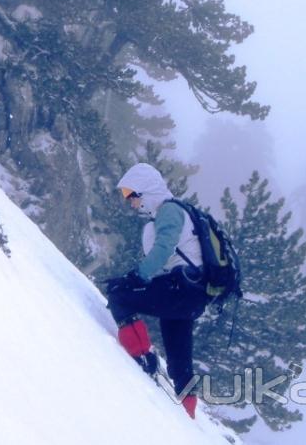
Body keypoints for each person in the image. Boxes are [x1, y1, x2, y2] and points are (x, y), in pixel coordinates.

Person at [106, 162, 211, 419]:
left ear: (146, 189)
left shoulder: (169, 210)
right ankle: (188, 417)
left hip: (181, 287)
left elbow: (164, 247)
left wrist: (138, 276)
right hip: (193, 292)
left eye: (131, 194)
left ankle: (142, 359)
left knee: (120, 295)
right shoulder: (176, 212)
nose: (130, 201)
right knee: (179, 356)